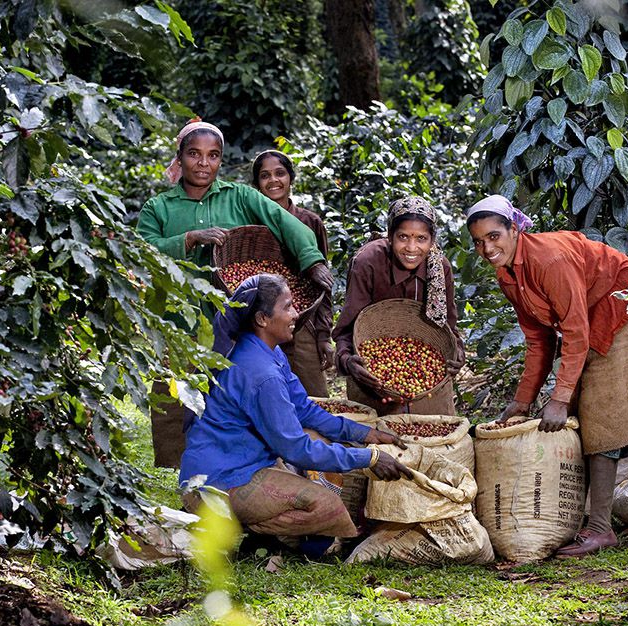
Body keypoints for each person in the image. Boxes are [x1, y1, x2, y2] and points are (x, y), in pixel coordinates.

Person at [466, 195, 628, 558]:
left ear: (514, 230)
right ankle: (579, 516)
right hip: (593, 317)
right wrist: (524, 399)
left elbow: (575, 332)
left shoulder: (550, 259)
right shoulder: (507, 273)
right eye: (479, 241)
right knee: (577, 409)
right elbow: (538, 338)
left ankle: (600, 529)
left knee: (598, 414)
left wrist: (559, 398)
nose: (487, 247)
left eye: (495, 236)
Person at [136, 119, 334, 468]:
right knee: (176, 389)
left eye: (213, 156)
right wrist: (189, 239)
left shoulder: (239, 196)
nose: (203, 163)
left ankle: (239, 466)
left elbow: (287, 223)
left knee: (231, 391)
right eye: (194, 154)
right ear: (180, 158)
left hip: (231, 318)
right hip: (177, 317)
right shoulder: (160, 207)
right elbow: (143, 252)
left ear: (220, 161)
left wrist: (312, 259)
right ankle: (180, 470)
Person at [181, 274, 411, 546]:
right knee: (328, 507)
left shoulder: (269, 351)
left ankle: (260, 526)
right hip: (216, 481)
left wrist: (363, 434)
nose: (296, 313)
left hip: (241, 461)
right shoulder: (262, 374)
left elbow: (304, 410)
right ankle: (245, 529)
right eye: (287, 307)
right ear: (262, 319)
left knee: (318, 440)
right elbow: (296, 449)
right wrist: (368, 459)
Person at [333, 197, 465, 416]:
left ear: (432, 240)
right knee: (379, 442)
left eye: (421, 238)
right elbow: (347, 327)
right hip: (373, 381)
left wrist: (457, 351)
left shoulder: (439, 267)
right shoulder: (368, 262)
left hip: (428, 385)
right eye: (403, 237)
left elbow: (448, 325)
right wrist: (347, 360)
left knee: (435, 437)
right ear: (390, 236)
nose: (412, 248)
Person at [251, 149, 333, 397]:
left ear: (290, 178)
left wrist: (323, 335)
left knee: (314, 398)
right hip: (261, 325)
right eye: (265, 176)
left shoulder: (309, 222)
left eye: (280, 173)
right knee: (267, 396)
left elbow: (323, 282)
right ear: (256, 184)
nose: (273, 181)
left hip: (302, 322)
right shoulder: (251, 222)